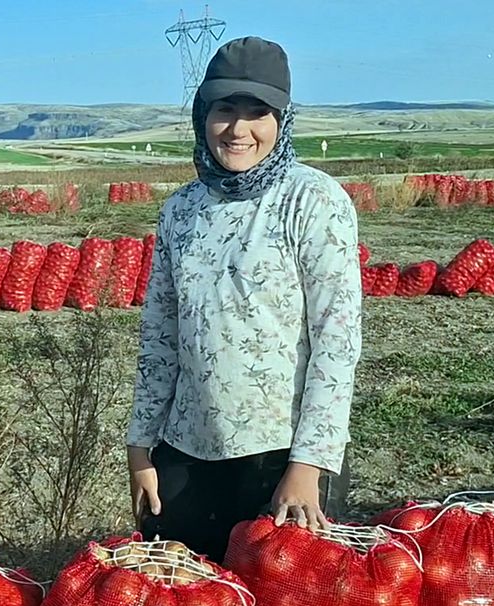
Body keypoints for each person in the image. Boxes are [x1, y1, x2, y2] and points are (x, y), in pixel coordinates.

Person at [126, 36, 362, 564]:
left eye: (258, 113)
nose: (238, 130)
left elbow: (337, 339)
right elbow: (161, 334)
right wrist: (141, 447)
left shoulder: (313, 200)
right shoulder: (181, 209)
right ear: (201, 115)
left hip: (280, 459)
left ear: (283, 119)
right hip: (186, 453)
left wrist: (308, 466)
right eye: (224, 110)